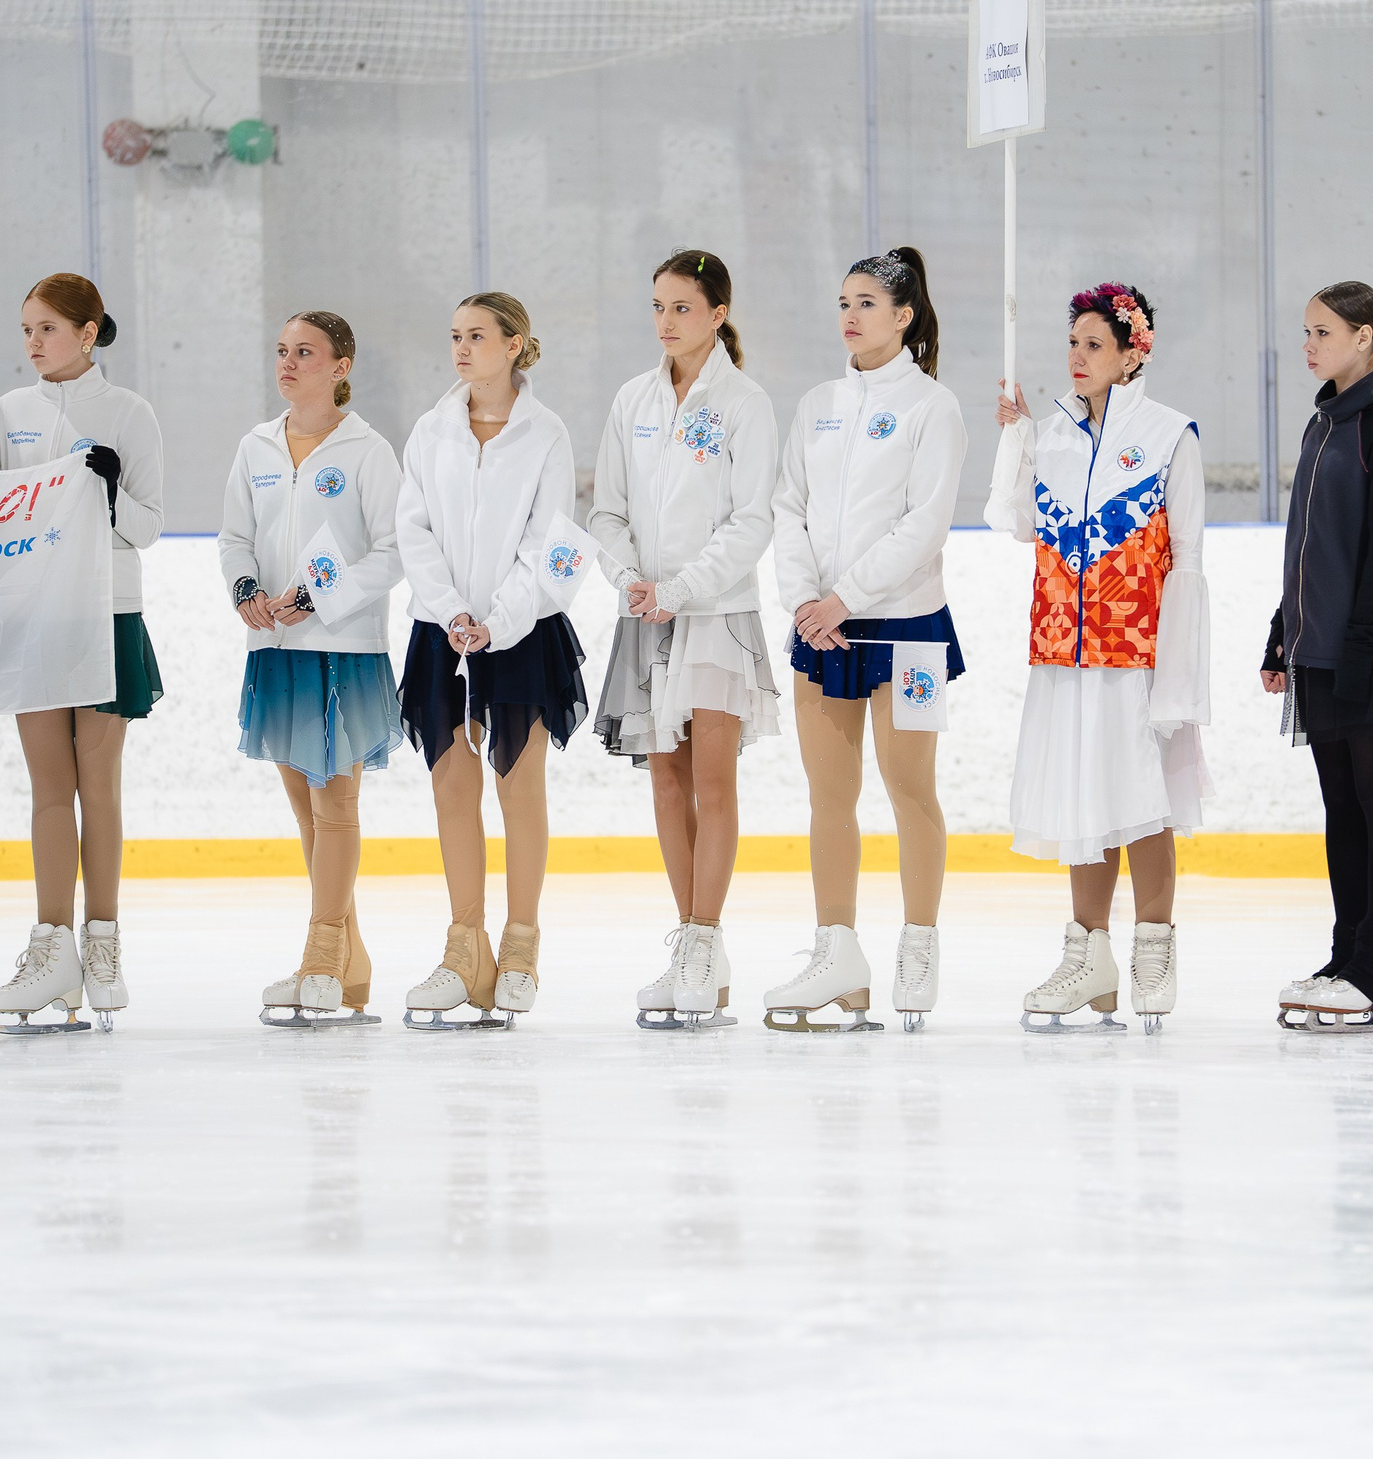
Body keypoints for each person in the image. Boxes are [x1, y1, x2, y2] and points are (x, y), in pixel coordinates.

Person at [988, 281, 1211, 1034]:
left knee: (1143, 801)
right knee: (1084, 801)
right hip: (1064, 654)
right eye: (1073, 344)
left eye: (1094, 345)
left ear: (1131, 352)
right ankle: (1090, 959)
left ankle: (1154, 949)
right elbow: (1015, 523)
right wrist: (1017, 441)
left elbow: (1188, 558)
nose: (1078, 358)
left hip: (1138, 657)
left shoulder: (1170, 436)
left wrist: (1180, 675)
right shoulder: (1051, 434)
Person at [768, 248, 969, 1032]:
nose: (850, 316)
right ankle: (838, 956)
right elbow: (789, 506)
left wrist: (845, 597)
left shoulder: (932, 408)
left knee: (911, 790)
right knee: (829, 798)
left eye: (867, 303)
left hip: (908, 631)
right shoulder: (818, 404)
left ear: (903, 316)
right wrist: (805, 601)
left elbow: (925, 524)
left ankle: (918, 946)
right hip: (821, 628)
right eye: (843, 302)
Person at [589, 249, 781, 1031]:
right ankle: (691, 948)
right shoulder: (632, 399)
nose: (666, 322)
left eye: (682, 308)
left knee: (711, 779)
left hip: (714, 614)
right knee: (664, 780)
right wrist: (631, 578)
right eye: (658, 307)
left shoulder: (744, 403)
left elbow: (752, 519)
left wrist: (681, 589)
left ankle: (705, 940)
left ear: (717, 314)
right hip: (645, 613)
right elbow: (606, 510)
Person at [0, 274, 163, 1032]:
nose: (33, 342)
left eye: (48, 328)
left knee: (99, 784)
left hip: (107, 612)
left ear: (88, 333)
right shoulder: (7, 415)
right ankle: (51, 947)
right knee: (50, 788)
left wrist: (111, 493)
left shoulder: (129, 413)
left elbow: (149, 528)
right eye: (26, 328)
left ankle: (103, 943)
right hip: (34, 616)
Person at [395, 292, 585, 1030]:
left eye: (477, 335)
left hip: (523, 630)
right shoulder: (430, 430)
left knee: (519, 787)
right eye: (455, 336)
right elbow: (413, 529)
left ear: (513, 345)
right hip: (442, 629)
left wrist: (499, 620)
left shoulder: (546, 434)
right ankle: (464, 949)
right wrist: (452, 612)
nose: (462, 348)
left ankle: (521, 949)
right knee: (451, 787)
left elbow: (549, 540)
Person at [220, 310, 403, 1028]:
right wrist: (245, 591)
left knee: (336, 806)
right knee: (307, 812)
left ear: (340, 367)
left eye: (305, 352)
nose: (288, 363)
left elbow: (392, 551)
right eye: (282, 351)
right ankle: (348, 967)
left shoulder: (368, 451)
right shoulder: (255, 447)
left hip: (343, 646)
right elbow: (235, 537)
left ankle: (323, 957)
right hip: (275, 647)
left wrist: (318, 598)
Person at [1264, 281, 1373, 1031]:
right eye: (1307, 331)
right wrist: (1282, 630)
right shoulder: (1322, 422)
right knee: (1342, 808)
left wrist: (1359, 649)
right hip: (1319, 647)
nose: (1308, 345)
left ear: (1365, 336)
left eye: (1322, 332)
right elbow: (1308, 540)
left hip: (1368, 650)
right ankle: (1346, 956)